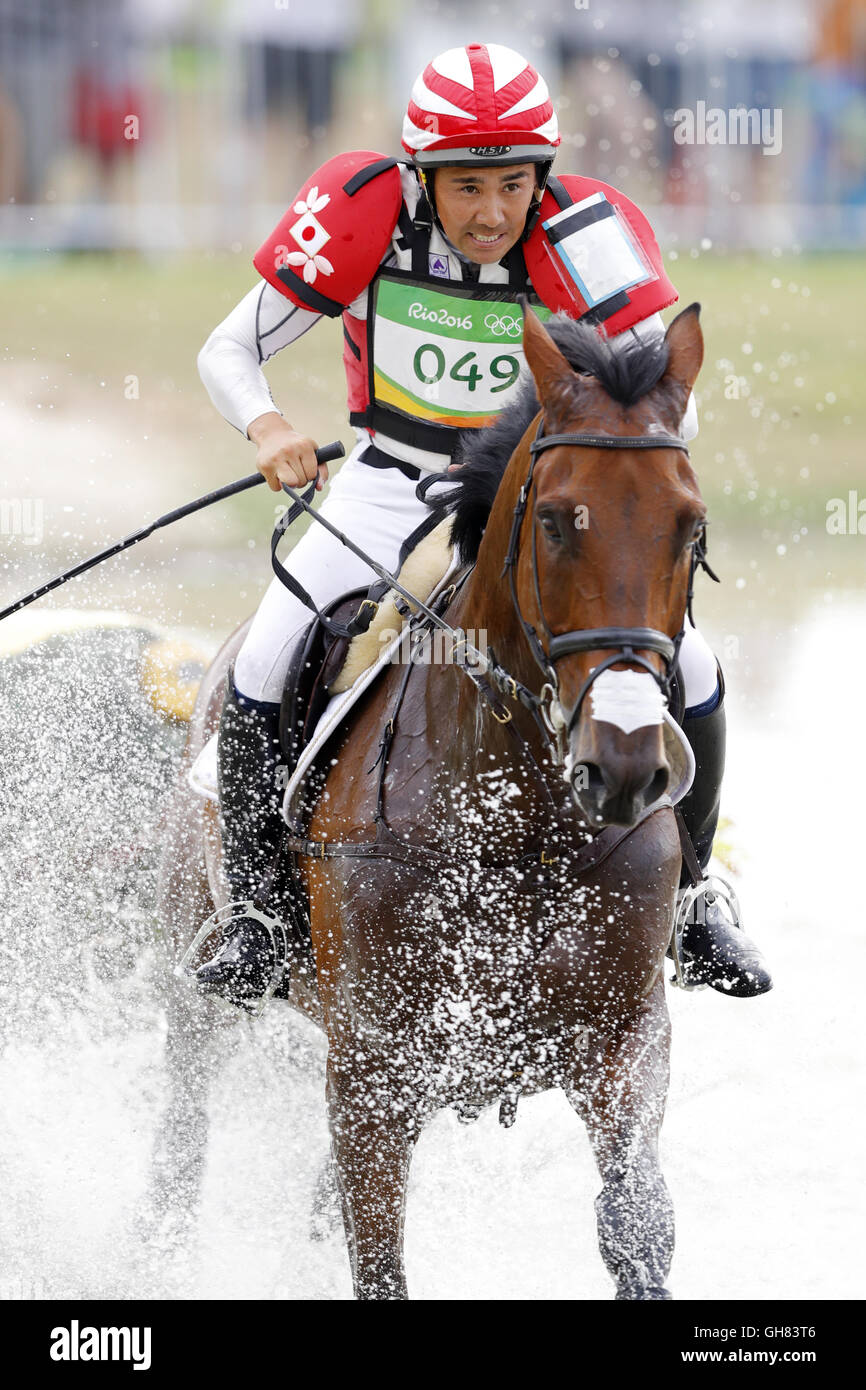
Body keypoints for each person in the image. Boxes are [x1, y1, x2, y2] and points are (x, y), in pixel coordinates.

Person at [192, 42, 772, 1008]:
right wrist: (269, 424)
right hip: (391, 482)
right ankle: (255, 913)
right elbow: (228, 349)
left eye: (512, 185)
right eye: (465, 187)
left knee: (697, 668)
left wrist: (595, 432)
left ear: (542, 176)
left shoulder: (581, 232)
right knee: (270, 652)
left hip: (540, 495)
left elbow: (678, 406)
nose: (492, 214)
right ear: (423, 176)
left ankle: (696, 896)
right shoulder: (364, 207)